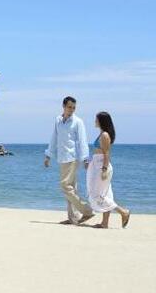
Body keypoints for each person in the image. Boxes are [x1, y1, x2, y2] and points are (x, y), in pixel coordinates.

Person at [44, 96, 94, 225]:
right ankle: (73, 218)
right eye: (69, 107)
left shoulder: (78, 122)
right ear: (64, 106)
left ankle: (87, 210)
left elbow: (83, 141)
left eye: (73, 107)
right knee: (71, 188)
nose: (71, 109)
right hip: (62, 158)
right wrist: (48, 155)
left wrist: (85, 159)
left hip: (72, 158)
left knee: (65, 186)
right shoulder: (58, 120)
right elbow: (54, 138)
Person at [87, 111, 131, 229]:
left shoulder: (105, 135)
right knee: (106, 194)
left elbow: (106, 153)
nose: (95, 121)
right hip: (97, 164)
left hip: (102, 166)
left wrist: (104, 169)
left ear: (101, 121)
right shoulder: (101, 134)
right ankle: (105, 223)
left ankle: (123, 212)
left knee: (98, 195)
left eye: (96, 119)